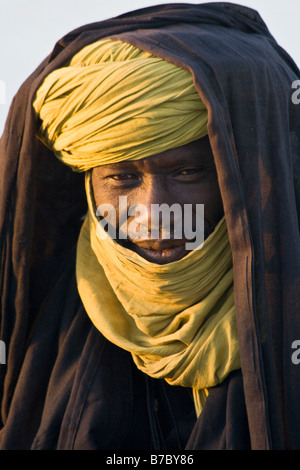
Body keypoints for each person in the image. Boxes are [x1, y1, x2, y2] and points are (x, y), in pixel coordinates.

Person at [0, 2, 299, 451]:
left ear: (246, 178)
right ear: (87, 183)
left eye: (188, 173)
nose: (155, 212)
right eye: (121, 177)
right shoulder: (44, 337)